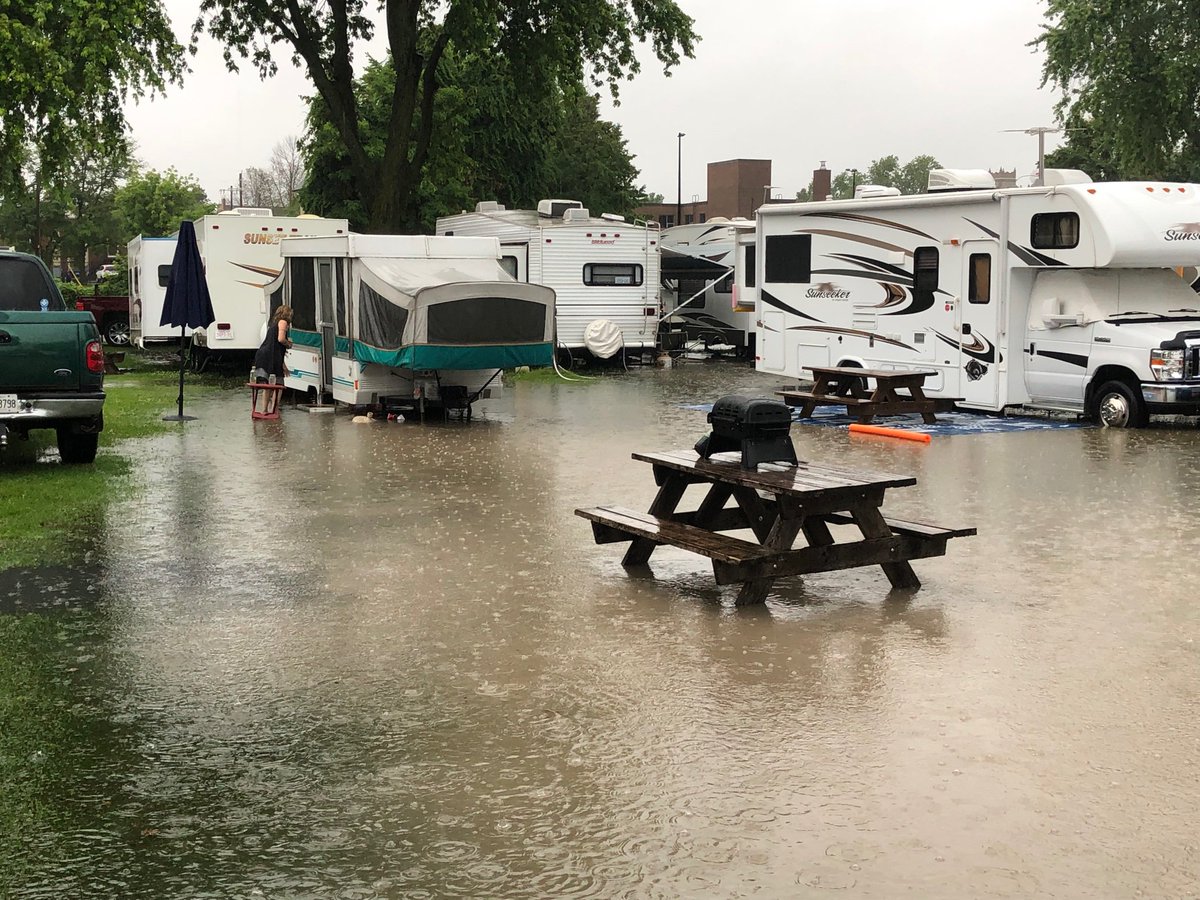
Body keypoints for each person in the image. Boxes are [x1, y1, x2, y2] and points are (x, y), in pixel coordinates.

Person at [253, 305, 293, 383]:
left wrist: (283, 366)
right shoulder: (283, 322)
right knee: (279, 384)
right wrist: (288, 343)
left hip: (262, 356)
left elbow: (277, 350)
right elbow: (281, 339)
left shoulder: (273, 325)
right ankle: (275, 396)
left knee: (267, 386)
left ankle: (266, 396)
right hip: (269, 357)